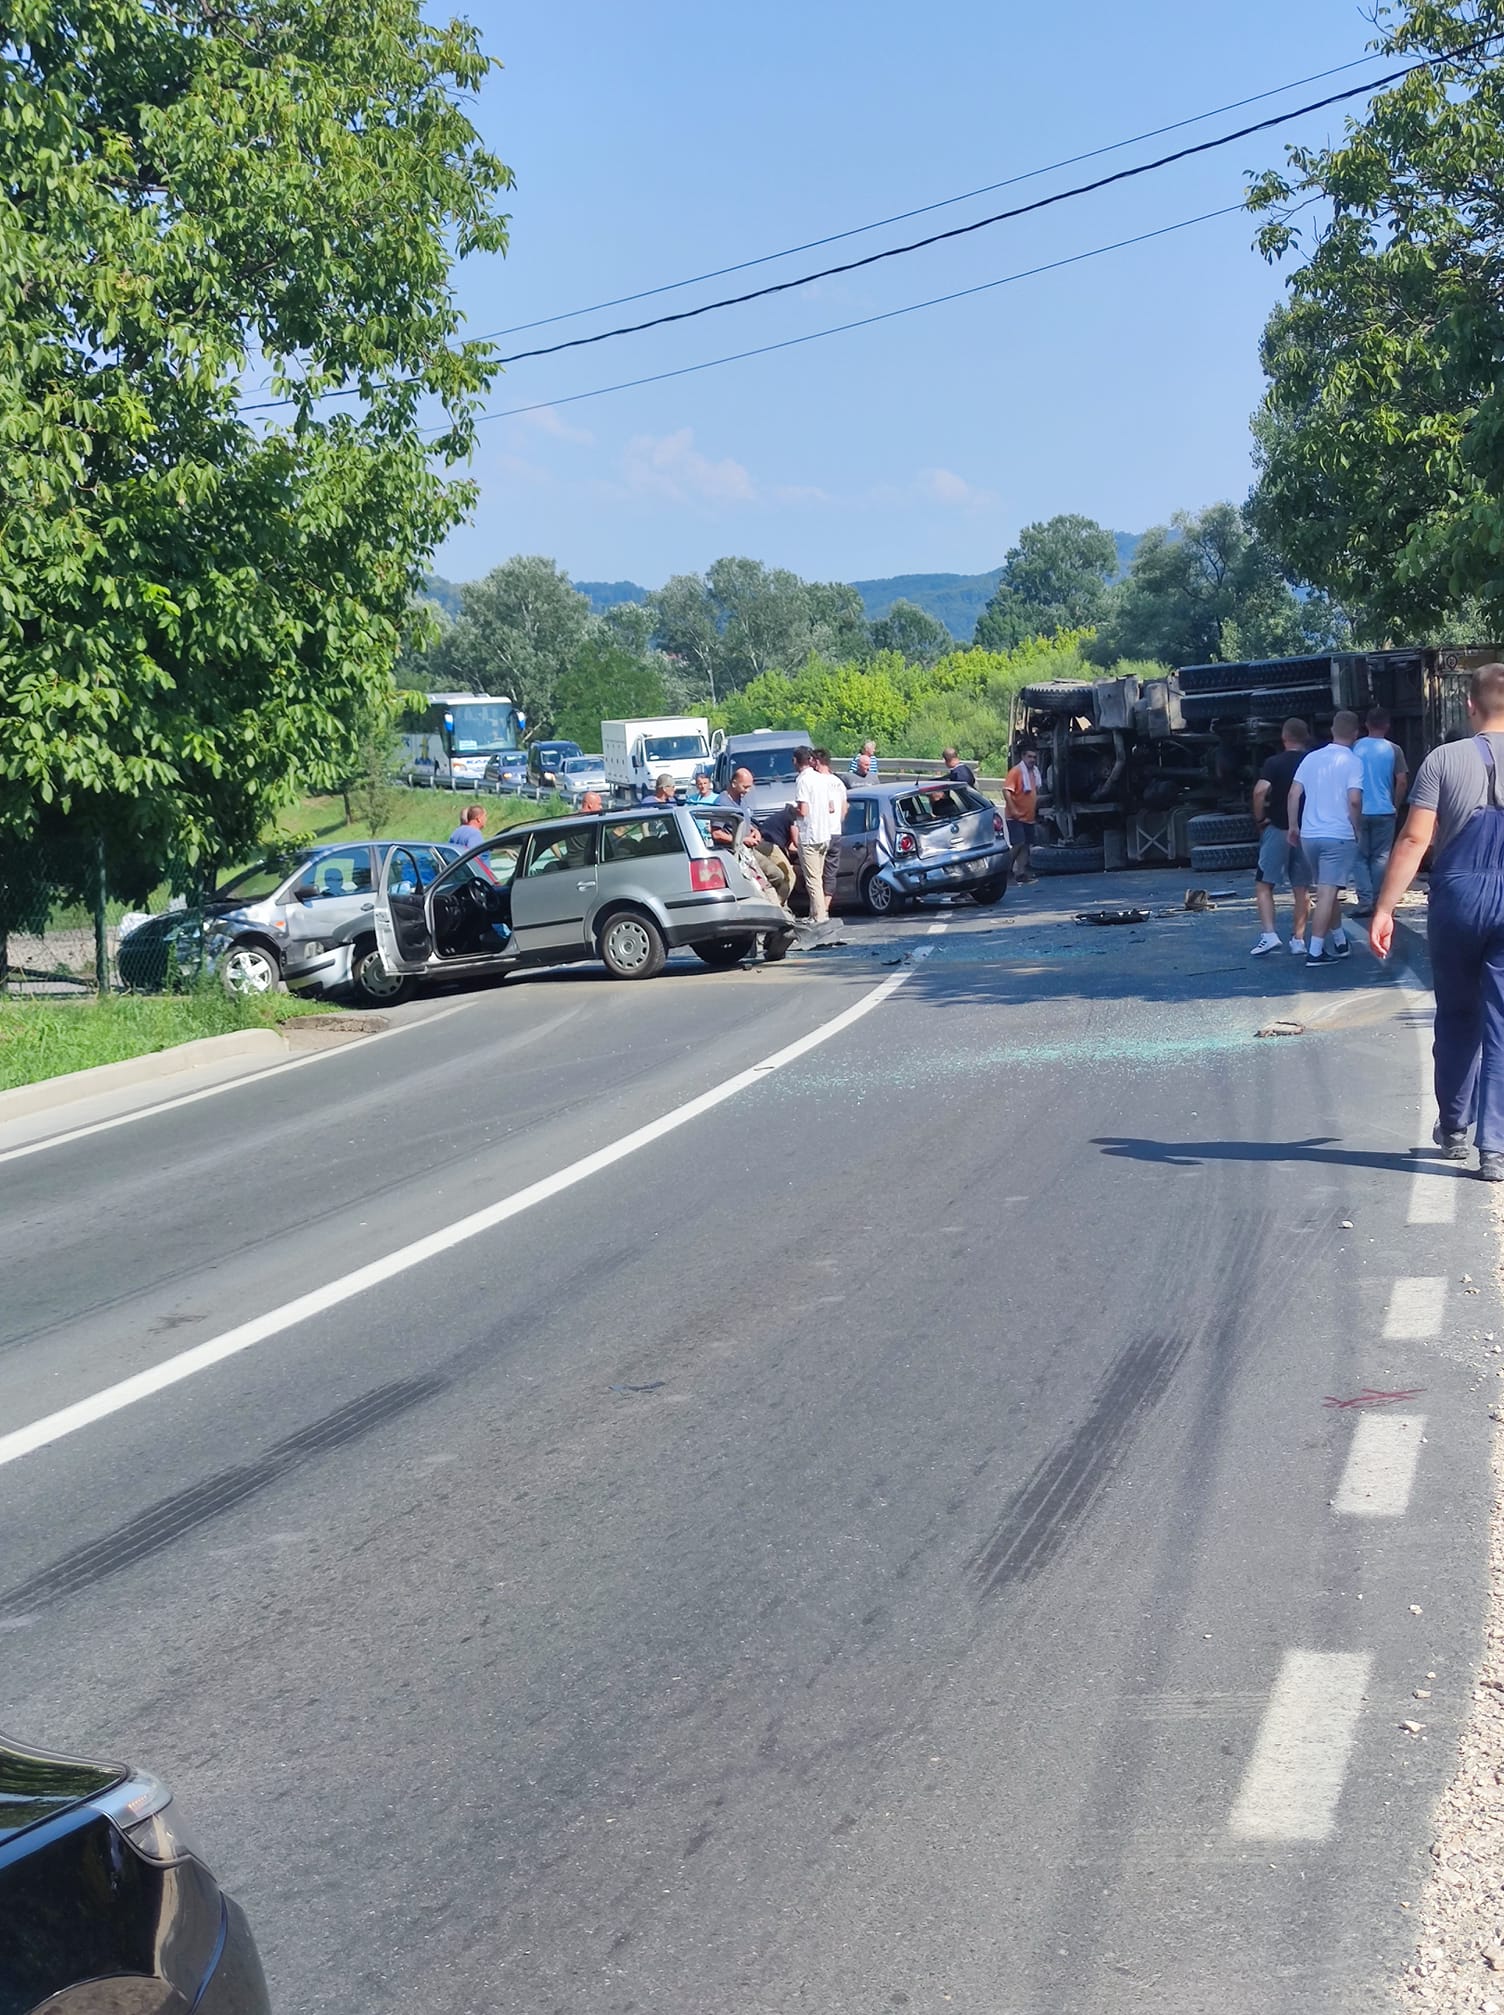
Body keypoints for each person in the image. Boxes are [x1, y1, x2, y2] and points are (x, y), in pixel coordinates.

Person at [1372, 662, 1504, 1180]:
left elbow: (1413, 840)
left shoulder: (1442, 761)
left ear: (1469, 705)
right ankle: (1495, 1148)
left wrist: (1384, 908)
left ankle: (1453, 1128)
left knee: (1455, 1013)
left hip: (1458, 897)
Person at [1288, 712, 1363, 968]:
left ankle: (1340, 940)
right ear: (1355, 734)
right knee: (1327, 894)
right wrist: (1357, 828)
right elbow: (1354, 800)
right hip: (1338, 836)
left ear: (1332, 729)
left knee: (1326, 890)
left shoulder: (1311, 758)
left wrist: (1293, 826)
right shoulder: (1353, 761)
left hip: (1310, 835)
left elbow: (1293, 794)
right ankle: (1316, 950)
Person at [1249, 718, 1314, 956]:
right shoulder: (1313, 761)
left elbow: (1259, 791)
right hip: (1307, 830)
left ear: (1284, 737)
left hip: (1278, 828)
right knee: (1302, 888)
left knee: (1264, 884)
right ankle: (1298, 939)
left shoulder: (1273, 763)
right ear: (1306, 737)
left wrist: (1260, 819)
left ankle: (1269, 935)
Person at [1350, 707, 1409, 918]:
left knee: (1359, 857)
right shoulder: (1394, 749)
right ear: (1387, 726)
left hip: (1359, 809)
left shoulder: (1355, 747)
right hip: (1384, 810)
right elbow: (1402, 780)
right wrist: (1395, 804)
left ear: (1366, 724)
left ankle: (1364, 901)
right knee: (1381, 857)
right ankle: (1379, 901)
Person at [715, 767, 796, 906]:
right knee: (763, 884)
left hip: (751, 848)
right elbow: (716, 833)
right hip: (737, 852)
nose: (748, 790)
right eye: (745, 786)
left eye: (749, 786)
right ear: (734, 783)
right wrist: (743, 839)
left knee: (778, 875)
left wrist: (754, 830)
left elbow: (746, 820)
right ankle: (773, 909)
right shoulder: (722, 803)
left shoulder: (741, 799)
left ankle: (779, 906)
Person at [793, 746, 843, 925]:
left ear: (795, 761)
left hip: (810, 835)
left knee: (812, 880)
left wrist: (792, 810)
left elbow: (803, 810)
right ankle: (816, 913)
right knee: (819, 877)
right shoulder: (822, 779)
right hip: (825, 834)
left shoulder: (802, 780)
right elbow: (831, 807)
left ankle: (820, 917)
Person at [1003, 742, 1044, 884]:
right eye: (1029, 756)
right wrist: (1013, 808)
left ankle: (1021, 873)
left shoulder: (1034, 772)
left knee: (1026, 844)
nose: (1032, 759)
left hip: (1029, 816)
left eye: (1034, 757)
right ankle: (1005, 871)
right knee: (1018, 843)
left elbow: (1035, 792)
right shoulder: (1016, 772)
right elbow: (1007, 791)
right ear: (1023, 757)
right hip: (1015, 816)